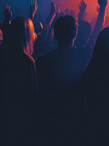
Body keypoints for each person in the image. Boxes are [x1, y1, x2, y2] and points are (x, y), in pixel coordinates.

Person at [36, 15, 87, 145]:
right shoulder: (82, 57)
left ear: (55, 33)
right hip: (76, 119)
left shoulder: (43, 61)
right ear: (75, 33)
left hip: (50, 120)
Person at [0, 16, 38, 145]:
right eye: (32, 31)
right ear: (26, 34)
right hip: (20, 119)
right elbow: (32, 96)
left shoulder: (3, 54)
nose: (34, 34)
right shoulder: (27, 62)